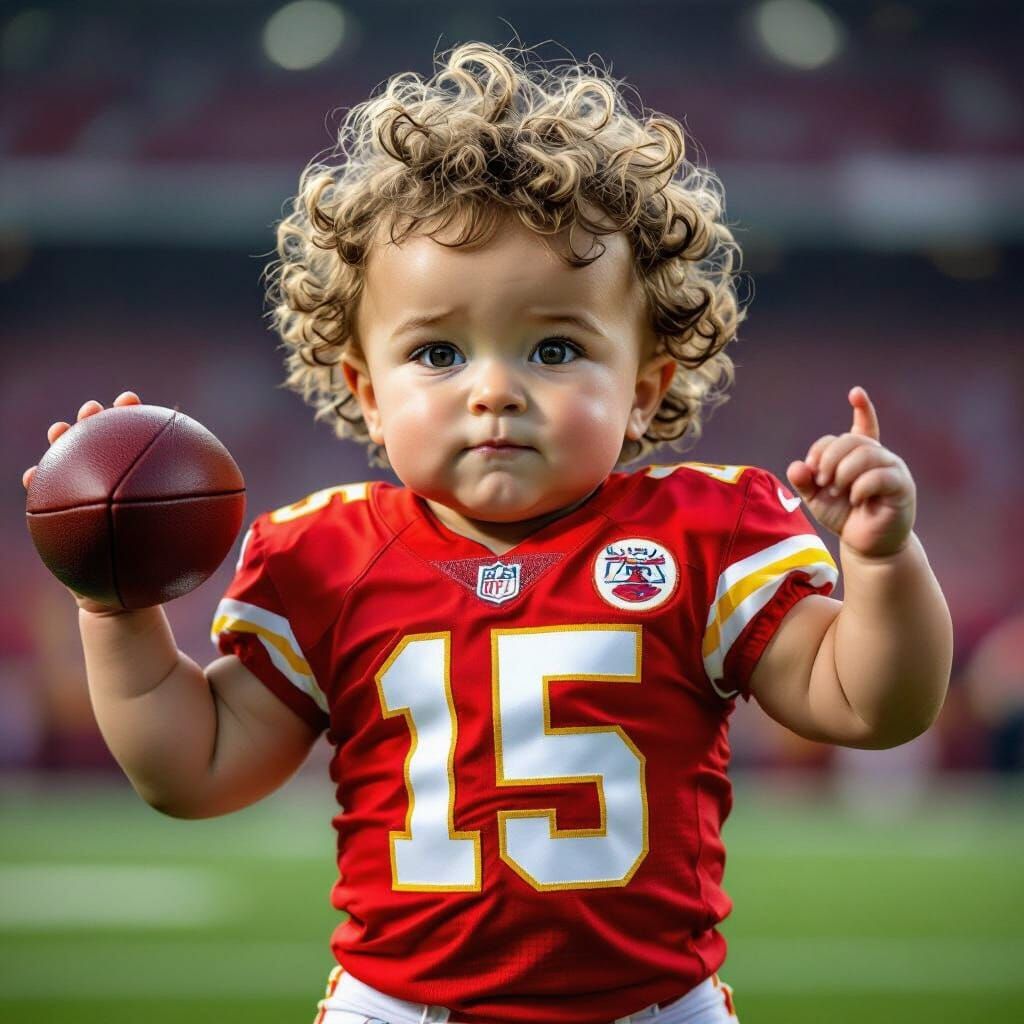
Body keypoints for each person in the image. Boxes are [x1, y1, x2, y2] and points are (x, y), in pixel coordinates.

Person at [22, 41, 953, 1024]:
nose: (496, 388)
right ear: (367, 394)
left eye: (554, 346)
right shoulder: (322, 555)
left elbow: (870, 705)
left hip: (648, 1007)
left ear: (644, 389)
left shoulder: (707, 528)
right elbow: (194, 768)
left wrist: (884, 562)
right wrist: (111, 600)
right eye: (437, 351)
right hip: (397, 1007)